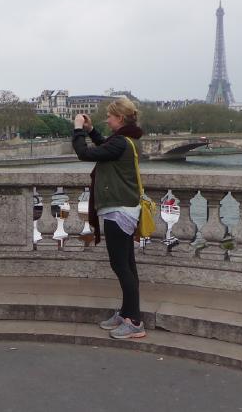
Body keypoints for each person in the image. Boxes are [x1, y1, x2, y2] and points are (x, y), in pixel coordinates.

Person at [72, 98, 146, 339]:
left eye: (110, 116)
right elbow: (105, 146)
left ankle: (134, 321)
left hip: (119, 210)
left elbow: (85, 154)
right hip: (124, 208)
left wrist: (76, 130)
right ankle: (127, 313)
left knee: (120, 265)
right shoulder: (126, 141)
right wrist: (91, 130)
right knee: (127, 264)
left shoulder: (122, 143)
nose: (107, 119)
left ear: (120, 119)